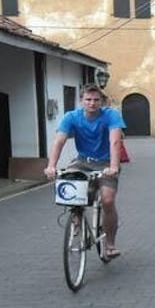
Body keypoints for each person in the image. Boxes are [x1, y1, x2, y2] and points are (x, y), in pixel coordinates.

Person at [44, 83, 126, 258]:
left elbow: (115, 142)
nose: (92, 103)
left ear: (101, 101)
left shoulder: (111, 115)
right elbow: (59, 141)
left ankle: (110, 244)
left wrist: (113, 166)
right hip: (82, 161)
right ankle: (77, 217)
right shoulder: (71, 117)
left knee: (108, 200)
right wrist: (51, 166)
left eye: (96, 100)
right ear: (81, 101)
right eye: (88, 99)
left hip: (106, 162)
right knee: (70, 186)